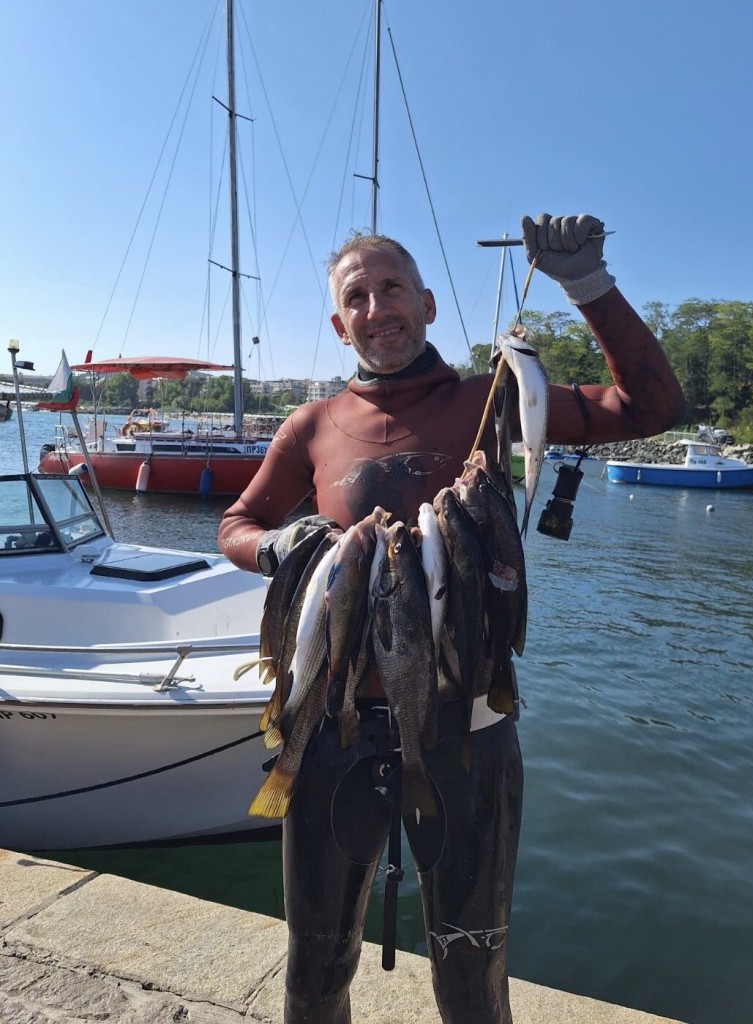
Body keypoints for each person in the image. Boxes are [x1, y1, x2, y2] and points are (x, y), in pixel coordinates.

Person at [218, 213, 684, 1024]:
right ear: (338, 323)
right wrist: (279, 546)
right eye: (356, 297)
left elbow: (649, 406)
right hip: (333, 730)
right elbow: (236, 525)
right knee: (314, 972)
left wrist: (587, 286)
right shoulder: (312, 426)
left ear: (428, 304)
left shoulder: (492, 399)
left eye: (391, 288)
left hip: (467, 730)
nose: (376, 308)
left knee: (473, 977)